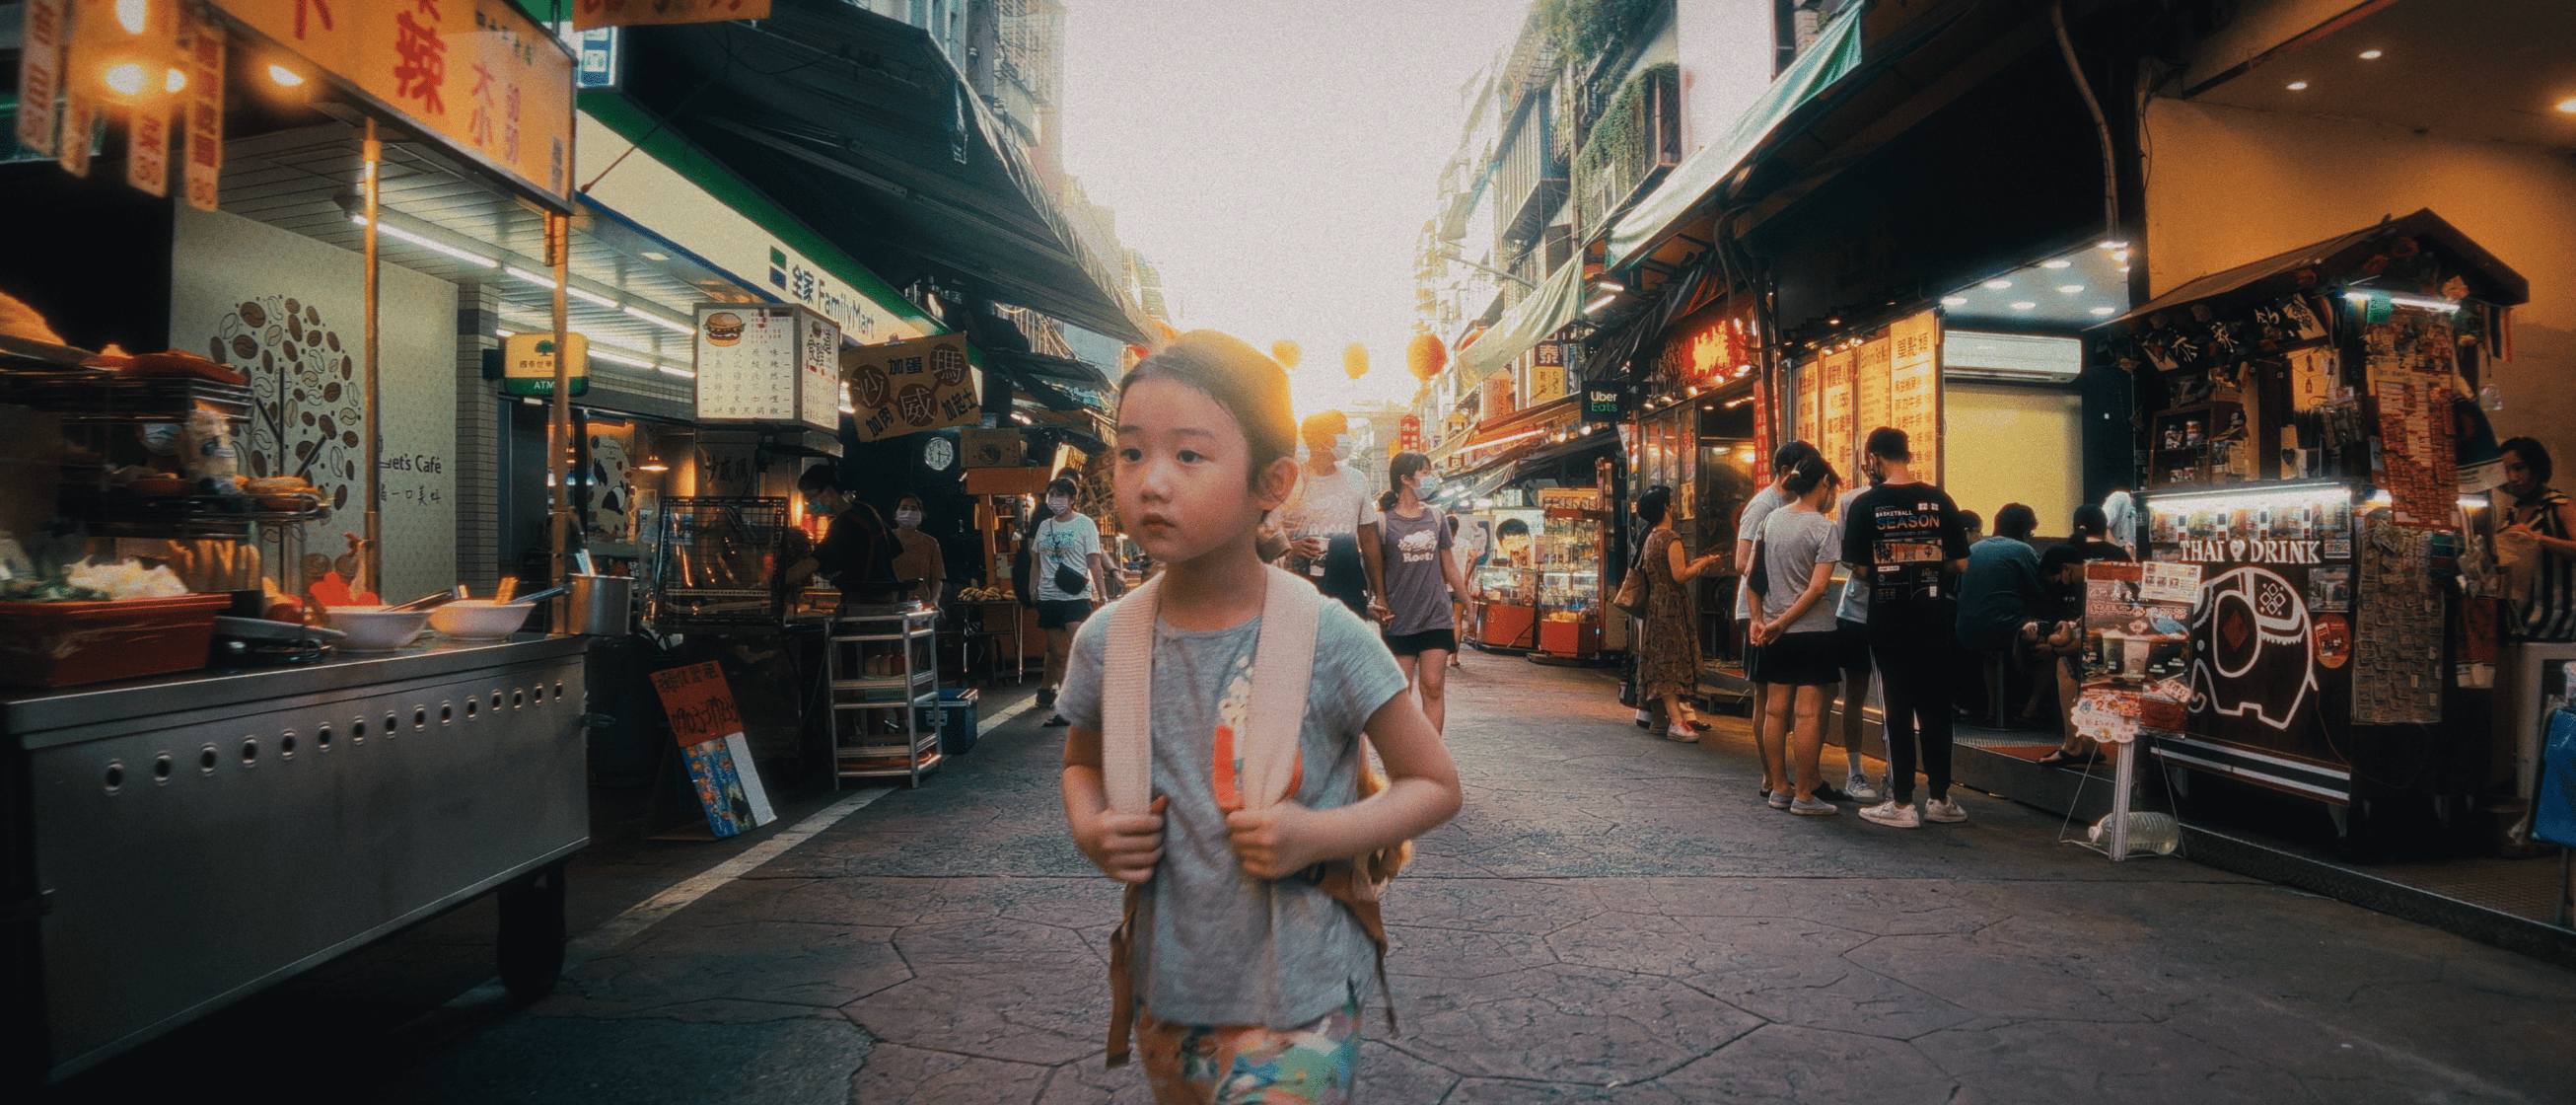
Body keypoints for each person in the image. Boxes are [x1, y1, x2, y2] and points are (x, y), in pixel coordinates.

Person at [1056, 331, 1462, 1103]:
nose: (1151, 483)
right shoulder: (1109, 639)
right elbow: (1082, 762)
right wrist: (1091, 827)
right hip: (1169, 993)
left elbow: (1434, 784)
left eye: (1189, 456)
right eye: (1131, 453)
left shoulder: (1330, 638)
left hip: (1301, 1002)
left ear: (1272, 482)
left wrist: (1317, 834)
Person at [1841, 426, 1973, 829]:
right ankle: (1940, 798)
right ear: (1908, 455)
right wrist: (1926, 560)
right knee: (1935, 707)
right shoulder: (1939, 499)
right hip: (1934, 616)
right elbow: (1961, 563)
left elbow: (1861, 569)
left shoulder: (1867, 505)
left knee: (1896, 708)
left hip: (1888, 618)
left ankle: (1901, 804)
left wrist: (1892, 562)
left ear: (1875, 458)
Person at [1748, 456, 1845, 815]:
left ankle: (1778, 787)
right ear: (1823, 484)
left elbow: (1753, 578)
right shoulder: (1824, 528)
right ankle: (1804, 794)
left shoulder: (1771, 520)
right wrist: (1783, 621)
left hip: (1775, 633)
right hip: (1813, 633)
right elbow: (1818, 589)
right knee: (1807, 715)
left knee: (1775, 712)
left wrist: (1762, 621)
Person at [1372, 452, 1471, 732]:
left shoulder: (1437, 517)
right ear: (1405, 479)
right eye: (1425, 472)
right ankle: (1407, 755)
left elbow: (1449, 566)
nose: (1431, 478)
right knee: (1400, 694)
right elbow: (1374, 569)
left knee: (1434, 688)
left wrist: (1467, 602)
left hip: (1436, 616)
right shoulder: (1382, 522)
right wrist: (1375, 600)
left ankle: (1431, 758)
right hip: (1398, 618)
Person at [1734, 442, 1824, 737]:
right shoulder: (1764, 506)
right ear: (1786, 471)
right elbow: (1742, 561)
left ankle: (1777, 776)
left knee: (1781, 700)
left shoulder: (1795, 507)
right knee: (1767, 697)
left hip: (1783, 611)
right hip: (1760, 611)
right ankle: (1769, 778)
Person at [1637, 485, 1729, 741]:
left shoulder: (1651, 537)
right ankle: (1676, 722)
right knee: (1670, 662)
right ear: (1666, 507)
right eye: (1672, 502)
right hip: (1671, 606)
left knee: (1658, 658)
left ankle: (1658, 719)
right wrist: (1702, 566)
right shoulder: (1670, 538)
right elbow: (1679, 575)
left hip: (1656, 603)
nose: (1675, 505)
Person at [1274, 409, 1383, 621]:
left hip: (1348, 588)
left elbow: (1370, 540)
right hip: (1299, 588)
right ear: (1320, 439)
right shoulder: (1291, 480)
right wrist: (1291, 545)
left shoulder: (1356, 479)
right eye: (1341, 432)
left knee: (1348, 651)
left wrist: (1380, 595)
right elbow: (1265, 530)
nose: (1347, 439)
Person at [1955, 503, 2048, 727]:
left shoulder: (1974, 549)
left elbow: (1960, 591)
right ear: (2025, 531)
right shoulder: (2023, 550)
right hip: (2005, 630)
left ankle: (1992, 711)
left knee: (1991, 654)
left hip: (1966, 630)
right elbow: (2041, 589)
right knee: (2050, 648)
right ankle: (2030, 711)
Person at [1034, 478, 1109, 726]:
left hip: (1075, 597)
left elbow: (1094, 562)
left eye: (1060, 494)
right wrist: (1031, 586)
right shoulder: (1045, 526)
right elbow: (1036, 560)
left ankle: (1088, 700)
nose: (1055, 499)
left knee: (1080, 648)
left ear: (1072, 499)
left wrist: (1103, 594)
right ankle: (1067, 709)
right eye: (1051, 493)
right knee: (1058, 653)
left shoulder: (1085, 525)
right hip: (1048, 596)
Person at [1826, 474, 1883, 802]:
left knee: (1896, 694)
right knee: (1856, 692)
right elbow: (1845, 553)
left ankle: (1894, 772)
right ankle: (1855, 771)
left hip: (1895, 613)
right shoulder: (1852, 500)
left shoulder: (1915, 500)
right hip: (1857, 609)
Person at [2499, 437, 2575, 640]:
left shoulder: (2559, 505)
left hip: (2555, 624)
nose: (2513, 477)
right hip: (2518, 621)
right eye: (2506, 471)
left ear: (2537, 467)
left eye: (2519, 468)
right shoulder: (2513, 512)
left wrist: (2537, 538)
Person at [786, 463, 896, 598]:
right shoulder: (865, 510)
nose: (809, 504)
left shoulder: (844, 523)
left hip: (866, 600)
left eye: (810, 498)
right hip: (888, 596)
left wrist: (775, 582)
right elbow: (895, 549)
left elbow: (811, 563)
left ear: (829, 492)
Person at [889, 493, 945, 609]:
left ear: (921, 514)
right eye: (904, 508)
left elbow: (937, 580)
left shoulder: (931, 543)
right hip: (890, 606)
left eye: (914, 509)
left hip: (920, 606)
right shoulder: (886, 540)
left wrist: (934, 602)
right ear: (895, 514)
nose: (909, 512)